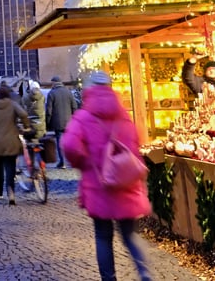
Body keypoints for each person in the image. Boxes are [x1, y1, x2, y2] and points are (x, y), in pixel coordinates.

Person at [62, 71, 153, 281]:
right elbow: (136, 142)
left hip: (98, 185)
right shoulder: (124, 115)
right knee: (130, 234)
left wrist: (83, 163)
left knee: (103, 236)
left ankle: (109, 279)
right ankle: (145, 273)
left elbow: (69, 145)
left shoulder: (83, 117)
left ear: (89, 90)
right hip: (125, 183)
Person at [0, 82, 29, 205]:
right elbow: (24, 114)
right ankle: (11, 192)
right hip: (11, 141)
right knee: (10, 167)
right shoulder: (12, 105)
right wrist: (26, 126)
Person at [45, 75, 78, 169]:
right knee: (70, 142)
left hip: (57, 123)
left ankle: (62, 162)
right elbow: (74, 107)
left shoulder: (52, 93)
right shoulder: (68, 92)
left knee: (60, 142)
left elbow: (49, 111)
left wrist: (47, 123)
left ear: (54, 83)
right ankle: (72, 160)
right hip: (69, 122)